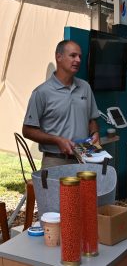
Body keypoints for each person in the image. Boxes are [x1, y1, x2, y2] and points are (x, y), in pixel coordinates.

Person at [23, 40, 100, 169]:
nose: (78, 60)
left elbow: (91, 120)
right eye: (73, 55)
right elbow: (27, 131)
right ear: (59, 57)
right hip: (55, 161)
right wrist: (57, 140)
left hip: (85, 159)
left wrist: (95, 133)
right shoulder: (42, 92)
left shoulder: (85, 87)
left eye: (80, 56)